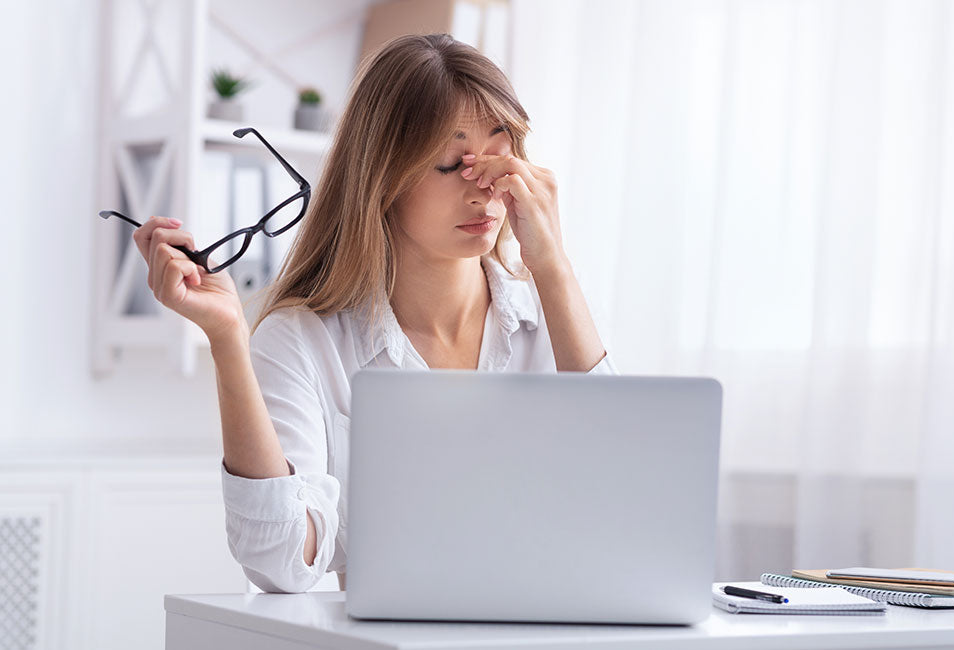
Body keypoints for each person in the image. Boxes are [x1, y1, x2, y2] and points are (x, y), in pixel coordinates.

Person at [131, 33, 618, 594]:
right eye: (451, 162)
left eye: (499, 154)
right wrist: (227, 339)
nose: (485, 186)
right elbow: (281, 562)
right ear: (382, 176)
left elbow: (615, 498)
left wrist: (553, 268)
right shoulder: (303, 342)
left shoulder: (552, 318)